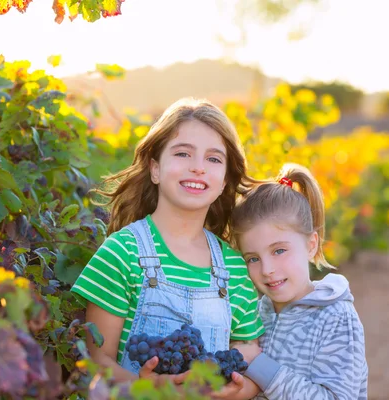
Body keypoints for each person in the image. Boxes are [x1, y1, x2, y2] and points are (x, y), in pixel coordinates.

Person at [70, 98, 265, 388]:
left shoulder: (234, 268)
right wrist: (149, 389)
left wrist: (245, 390)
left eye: (213, 159)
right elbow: (96, 364)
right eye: (183, 154)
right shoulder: (121, 254)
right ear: (155, 169)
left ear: (224, 180)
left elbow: (248, 348)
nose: (198, 168)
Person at [229, 163, 368, 399]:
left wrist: (259, 364)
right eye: (253, 258)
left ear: (311, 244)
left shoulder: (335, 317)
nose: (267, 270)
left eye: (279, 251)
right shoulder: (255, 313)